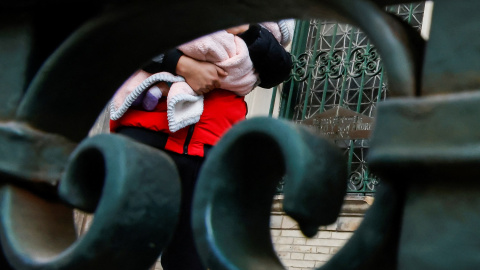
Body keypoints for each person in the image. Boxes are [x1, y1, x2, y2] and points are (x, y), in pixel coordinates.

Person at [109, 21, 294, 270]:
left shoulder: (258, 20)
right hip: (146, 132)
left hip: (210, 147)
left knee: (191, 258)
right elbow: (125, 34)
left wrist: (248, 30)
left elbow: (278, 70)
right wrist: (180, 63)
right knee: (121, 247)